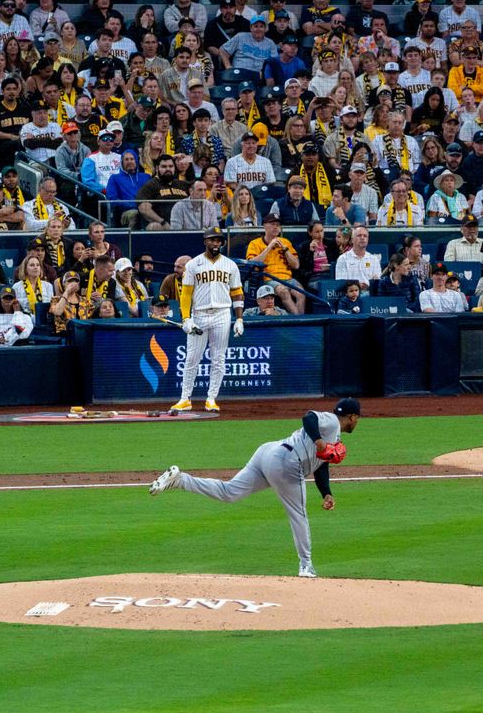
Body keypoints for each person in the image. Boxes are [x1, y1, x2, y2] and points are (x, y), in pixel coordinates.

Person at [148, 397, 361, 578]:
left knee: (229, 492)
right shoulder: (332, 421)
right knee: (298, 515)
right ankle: (306, 565)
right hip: (286, 462)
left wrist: (326, 493)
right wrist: (318, 442)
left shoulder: (334, 434)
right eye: (357, 418)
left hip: (268, 453)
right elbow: (309, 417)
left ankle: (180, 480)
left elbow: (321, 465)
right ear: (352, 417)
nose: (357, 422)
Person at [170, 227, 245, 413]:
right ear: (205, 241)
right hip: (200, 314)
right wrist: (186, 318)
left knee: (218, 358)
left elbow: (237, 293)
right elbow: (186, 294)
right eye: (212, 240)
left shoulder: (230, 265)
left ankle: (211, 398)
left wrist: (239, 319)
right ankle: (185, 398)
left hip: (222, 313)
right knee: (192, 358)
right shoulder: (194, 264)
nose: (215, 243)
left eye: (218, 240)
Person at [245, 215, 304, 315]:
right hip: (269, 278)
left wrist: (285, 250)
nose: (276, 227)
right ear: (264, 226)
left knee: (301, 293)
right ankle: (297, 321)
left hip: (287, 278)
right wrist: (269, 247)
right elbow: (252, 265)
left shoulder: (286, 242)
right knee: (284, 291)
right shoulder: (255, 243)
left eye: (278, 225)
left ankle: (301, 320)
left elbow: (296, 265)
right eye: (272, 224)